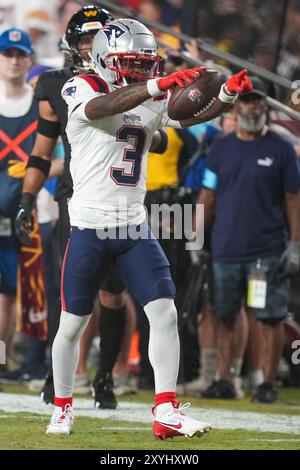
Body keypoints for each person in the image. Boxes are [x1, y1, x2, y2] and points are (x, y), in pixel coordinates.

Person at [17, 18, 251, 438]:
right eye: (131, 63)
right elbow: (103, 108)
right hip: (89, 228)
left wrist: (226, 95)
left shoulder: (147, 93)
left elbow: (187, 116)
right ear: (105, 58)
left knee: (163, 311)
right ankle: (64, 406)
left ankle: (165, 410)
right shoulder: (79, 86)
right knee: (72, 324)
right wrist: (156, 87)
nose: (141, 72)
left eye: (145, 64)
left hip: (133, 228)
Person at [198, 77, 300, 403]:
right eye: (244, 101)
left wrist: (295, 243)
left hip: (265, 251)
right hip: (226, 249)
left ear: (266, 107)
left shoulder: (281, 148)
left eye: (256, 101)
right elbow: (207, 196)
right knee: (225, 313)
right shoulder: (221, 147)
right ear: (235, 106)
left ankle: (266, 384)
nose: (250, 106)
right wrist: (194, 238)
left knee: (267, 316)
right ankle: (226, 379)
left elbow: (293, 198)